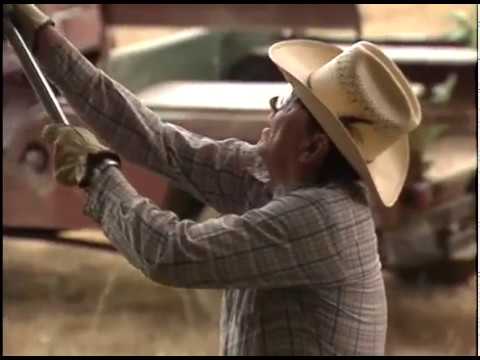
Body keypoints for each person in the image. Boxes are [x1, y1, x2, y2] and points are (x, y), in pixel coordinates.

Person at [5, 4, 421, 356]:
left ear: (312, 148)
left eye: (286, 104)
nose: (271, 110)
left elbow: (170, 253)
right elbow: (159, 143)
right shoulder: (276, 177)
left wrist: (96, 174)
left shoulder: (321, 219)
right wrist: (44, 38)